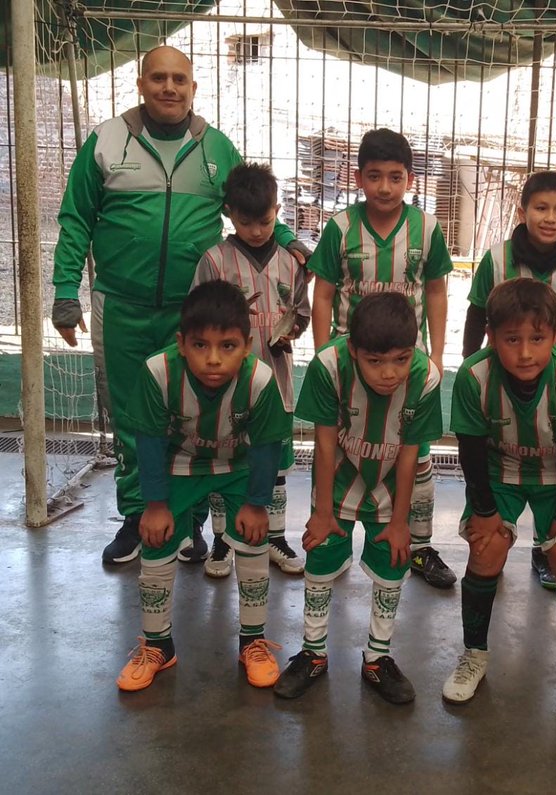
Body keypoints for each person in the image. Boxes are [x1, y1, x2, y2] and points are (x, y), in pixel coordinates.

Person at [51, 45, 310, 566]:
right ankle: (137, 516)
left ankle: (188, 522)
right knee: (130, 415)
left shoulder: (216, 147)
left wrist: (290, 240)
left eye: (179, 79)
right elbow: (76, 218)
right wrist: (64, 292)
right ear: (141, 85)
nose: (169, 87)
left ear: (193, 87)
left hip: (193, 316)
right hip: (120, 306)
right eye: (158, 78)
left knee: (191, 420)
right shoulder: (106, 140)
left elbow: (252, 207)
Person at [115, 280, 291, 691]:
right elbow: (148, 442)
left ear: (247, 346)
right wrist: (154, 505)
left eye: (227, 346)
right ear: (181, 343)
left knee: (253, 538)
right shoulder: (158, 373)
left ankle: (253, 642)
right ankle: (158, 645)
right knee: (156, 538)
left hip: (238, 464)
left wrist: (257, 504)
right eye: (200, 345)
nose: (213, 359)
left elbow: (267, 447)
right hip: (179, 463)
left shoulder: (261, 380)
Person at [274, 292, 443, 704]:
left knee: (393, 562)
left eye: (401, 359)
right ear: (353, 350)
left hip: (391, 481)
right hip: (339, 476)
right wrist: (322, 511)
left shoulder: (426, 377)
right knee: (320, 554)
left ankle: (377, 658)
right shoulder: (329, 366)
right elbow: (324, 441)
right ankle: (313, 653)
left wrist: (401, 522)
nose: (390, 373)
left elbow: (410, 453)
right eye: (375, 361)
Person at [306, 127, 455, 589]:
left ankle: (417, 544)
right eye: (374, 176)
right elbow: (323, 294)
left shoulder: (426, 228)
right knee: (340, 447)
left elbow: (436, 291)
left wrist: (436, 353)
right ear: (358, 178)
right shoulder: (340, 228)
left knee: (414, 454)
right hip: (355, 362)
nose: (385, 187)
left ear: (410, 178)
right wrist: (324, 352)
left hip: (405, 362)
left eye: (395, 177)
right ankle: (330, 532)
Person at [442, 279, 556, 713]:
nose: (526, 352)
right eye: (512, 339)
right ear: (491, 336)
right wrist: (485, 510)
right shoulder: (474, 376)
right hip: (500, 472)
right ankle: (474, 655)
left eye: (537, 339)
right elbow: (471, 450)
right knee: (486, 550)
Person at [462, 171, 556, 591]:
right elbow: (476, 312)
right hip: (509, 374)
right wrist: (472, 362)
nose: (550, 218)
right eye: (541, 208)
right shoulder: (496, 259)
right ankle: (495, 540)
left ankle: (546, 547)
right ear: (522, 212)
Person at [192, 162, 310, 578]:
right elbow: (197, 319)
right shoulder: (215, 261)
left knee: (273, 465)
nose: (257, 231)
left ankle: (275, 536)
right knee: (227, 463)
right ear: (229, 214)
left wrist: (291, 330)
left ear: (277, 211)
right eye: (246, 222)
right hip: (226, 387)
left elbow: (301, 312)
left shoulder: (292, 263)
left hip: (275, 384)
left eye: (265, 221)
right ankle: (223, 540)